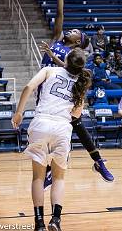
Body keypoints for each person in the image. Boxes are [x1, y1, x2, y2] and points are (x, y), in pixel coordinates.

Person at [40, 0, 114, 187]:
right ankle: (50, 170)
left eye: (75, 31)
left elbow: (75, 73)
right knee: (48, 132)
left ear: (78, 41)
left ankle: (98, 161)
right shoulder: (56, 39)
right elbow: (60, 13)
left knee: (75, 127)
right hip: (45, 90)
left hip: (63, 94)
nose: (70, 30)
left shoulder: (76, 55)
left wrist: (54, 57)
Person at [12, 49, 92, 231]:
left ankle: (39, 223)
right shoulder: (81, 81)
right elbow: (76, 114)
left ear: (66, 59)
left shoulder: (49, 70)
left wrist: (18, 113)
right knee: (58, 178)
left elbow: (28, 87)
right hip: (62, 127)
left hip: (41, 123)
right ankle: (55, 220)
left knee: (38, 178)